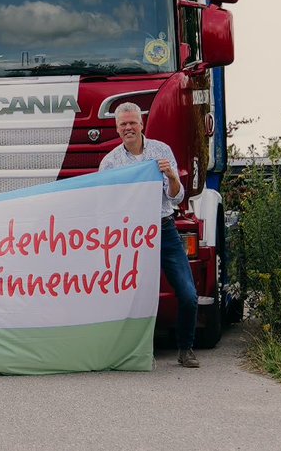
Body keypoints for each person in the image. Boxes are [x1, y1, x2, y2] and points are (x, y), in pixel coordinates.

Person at [98, 102, 200, 368]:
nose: (128, 128)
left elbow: (176, 196)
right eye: (123, 124)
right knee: (137, 296)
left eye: (132, 123)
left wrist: (171, 175)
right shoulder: (110, 163)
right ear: (117, 128)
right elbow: (105, 202)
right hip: (131, 233)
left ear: (141, 124)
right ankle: (139, 351)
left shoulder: (161, 151)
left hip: (163, 226)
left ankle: (186, 349)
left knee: (188, 293)